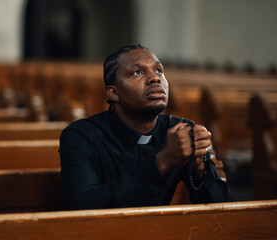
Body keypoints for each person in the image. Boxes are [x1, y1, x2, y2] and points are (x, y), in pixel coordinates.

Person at [59, 44, 232, 210]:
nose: (155, 78)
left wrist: (199, 169)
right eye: (137, 72)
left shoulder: (180, 131)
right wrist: (161, 162)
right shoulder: (81, 136)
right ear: (114, 93)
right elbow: (82, 205)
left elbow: (221, 210)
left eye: (159, 70)